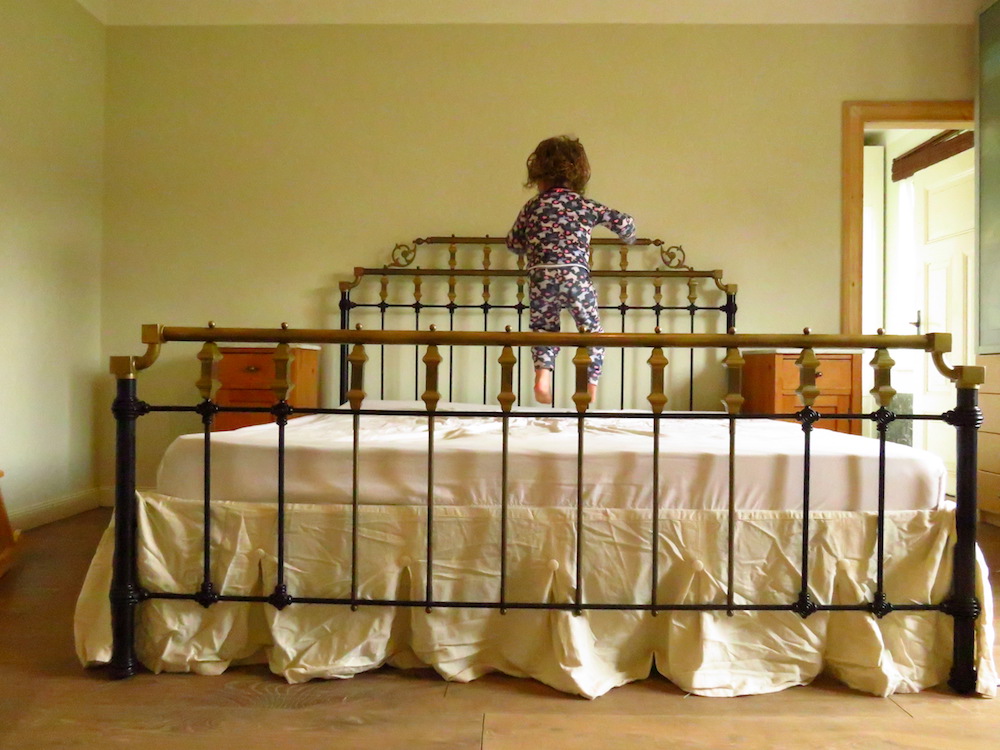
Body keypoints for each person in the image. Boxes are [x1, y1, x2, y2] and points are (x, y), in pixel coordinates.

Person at [506, 135, 636, 404]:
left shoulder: (532, 206)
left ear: (537, 173)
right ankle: (589, 387)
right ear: (579, 173)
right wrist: (629, 236)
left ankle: (542, 377)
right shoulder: (583, 204)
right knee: (592, 331)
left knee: (543, 328)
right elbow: (625, 223)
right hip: (575, 275)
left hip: (541, 276)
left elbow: (513, 243)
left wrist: (533, 243)